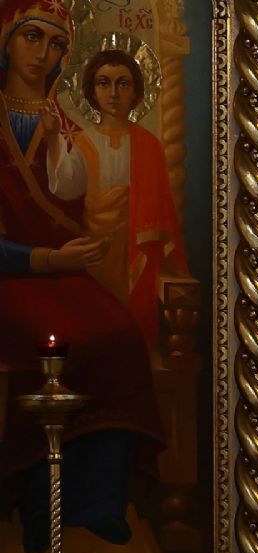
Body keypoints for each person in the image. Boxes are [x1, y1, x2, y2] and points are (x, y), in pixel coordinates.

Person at [0, 0, 163, 553]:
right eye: (32, 37)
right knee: (56, 345)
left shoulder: (68, 127)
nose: (43, 54)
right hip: (16, 274)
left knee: (118, 336)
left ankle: (97, 503)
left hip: (66, 271)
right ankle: (36, 504)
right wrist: (47, 260)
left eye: (55, 44)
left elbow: (79, 200)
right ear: (6, 39)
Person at [75, 46, 188, 346]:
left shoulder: (149, 145)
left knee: (131, 330)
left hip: (136, 249)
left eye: (122, 83)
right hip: (94, 248)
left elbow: (161, 208)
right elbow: (67, 192)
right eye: (104, 83)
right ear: (92, 91)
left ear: (136, 92)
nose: (113, 93)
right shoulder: (83, 141)